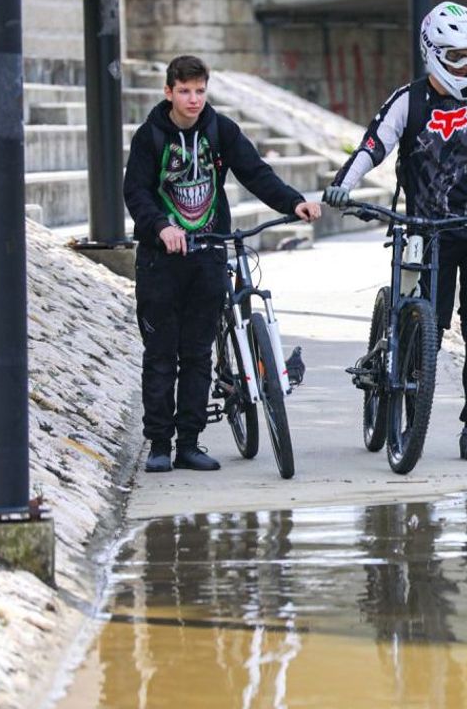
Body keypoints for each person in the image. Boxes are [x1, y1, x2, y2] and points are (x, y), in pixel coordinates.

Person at [323, 1, 467, 463]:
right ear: (433, 53)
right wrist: (343, 186)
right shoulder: (407, 100)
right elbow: (372, 145)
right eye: (456, 56)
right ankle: (410, 418)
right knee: (420, 327)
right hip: (425, 233)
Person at [124, 55, 322, 474]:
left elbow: (256, 172)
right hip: (161, 263)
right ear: (168, 92)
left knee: (197, 354)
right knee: (161, 356)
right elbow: (136, 192)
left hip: (209, 255)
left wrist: (293, 202)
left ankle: (190, 443)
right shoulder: (150, 137)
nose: (193, 99)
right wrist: (161, 227)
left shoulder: (220, 130)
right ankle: (159, 444)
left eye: (199, 90)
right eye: (184, 91)